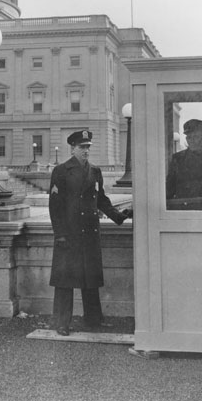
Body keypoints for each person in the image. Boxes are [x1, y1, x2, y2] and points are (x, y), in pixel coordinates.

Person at [48, 130, 132, 336]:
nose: (85, 151)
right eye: (81, 147)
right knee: (65, 280)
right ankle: (61, 322)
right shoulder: (60, 171)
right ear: (73, 148)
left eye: (88, 147)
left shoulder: (95, 171)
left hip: (90, 233)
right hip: (69, 233)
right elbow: (55, 206)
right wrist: (60, 234)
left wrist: (119, 216)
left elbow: (101, 200)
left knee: (91, 278)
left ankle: (93, 320)